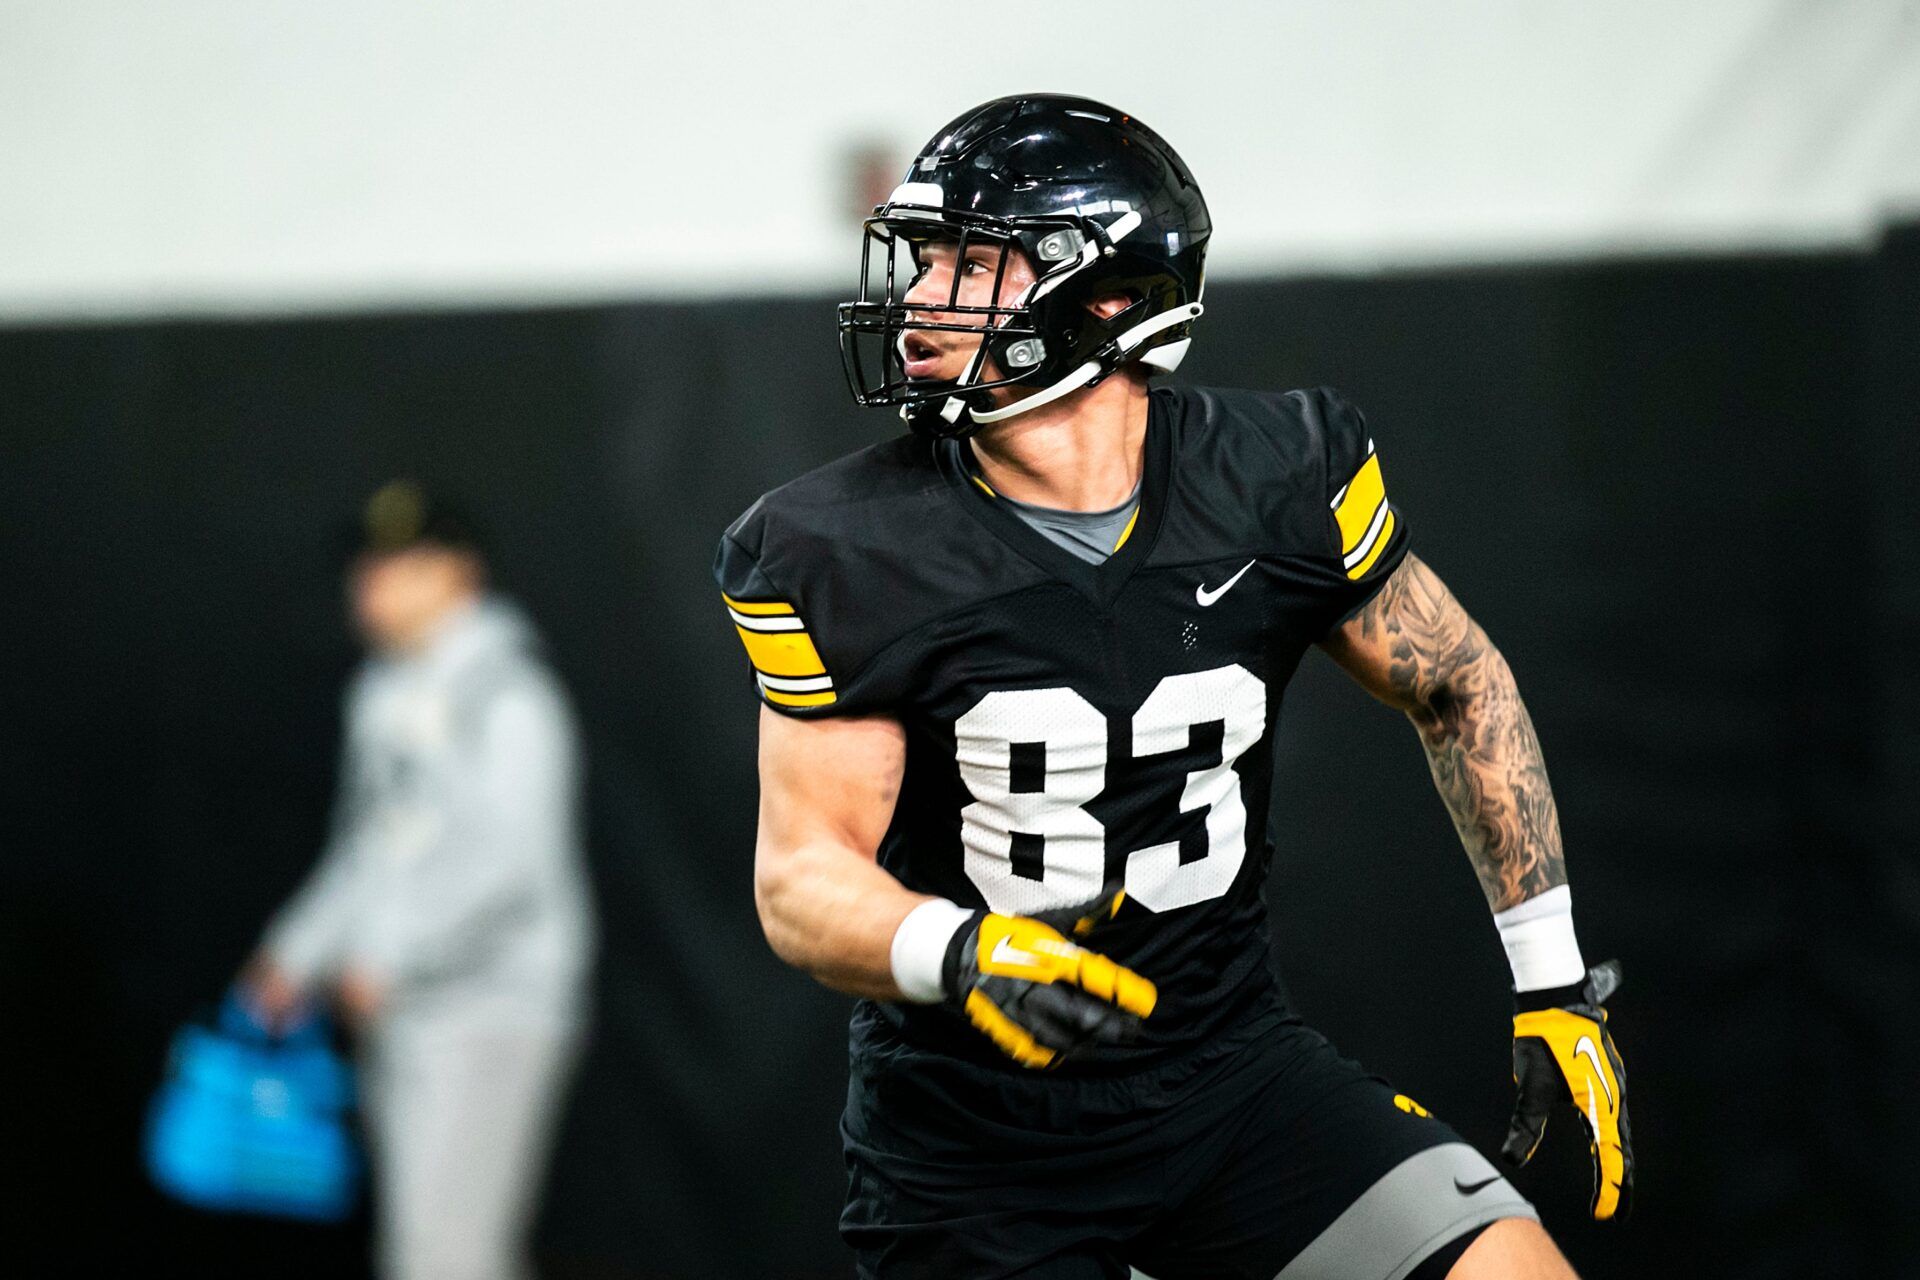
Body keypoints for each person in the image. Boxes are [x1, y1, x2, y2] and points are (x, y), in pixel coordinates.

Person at [716, 96, 1633, 1279]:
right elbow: (800, 875)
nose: (921, 294)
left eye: (969, 260)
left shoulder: (1278, 474)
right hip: (976, 1147)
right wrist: (961, 950)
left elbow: (1456, 680)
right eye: (925, 254)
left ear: (1105, 297)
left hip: (1232, 1081)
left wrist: (1551, 970)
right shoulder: (837, 546)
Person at [243, 481, 595, 1280]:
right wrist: (296, 952)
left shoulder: (509, 693)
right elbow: (371, 846)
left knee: (450, 1254)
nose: (372, 584)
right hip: (405, 1008)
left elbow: (513, 862)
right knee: (425, 1248)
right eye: (368, 566)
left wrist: (389, 958)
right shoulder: (385, 691)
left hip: (492, 1004)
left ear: (456, 574)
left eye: (400, 565)